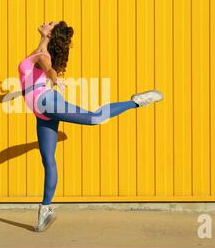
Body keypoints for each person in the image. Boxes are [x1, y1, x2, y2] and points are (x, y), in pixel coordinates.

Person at [18, 21, 163, 232]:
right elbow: (36, 66)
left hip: (46, 101)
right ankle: (45, 210)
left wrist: (54, 79)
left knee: (94, 118)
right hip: (40, 110)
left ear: (51, 33)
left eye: (50, 24)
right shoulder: (40, 48)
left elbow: (48, 68)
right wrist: (43, 39)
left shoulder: (43, 56)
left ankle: (136, 101)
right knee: (48, 159)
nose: (45, 22)